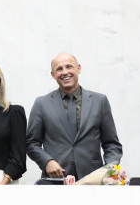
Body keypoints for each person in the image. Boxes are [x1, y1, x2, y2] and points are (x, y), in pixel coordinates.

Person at [26, 53, 122, 184]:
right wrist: (47, 161)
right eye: (59, 69)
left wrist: (109, 170)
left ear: (78, 68)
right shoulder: (41, 104)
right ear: (53, 75)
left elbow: (111, 143)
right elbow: (31, 143)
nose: (65, 72)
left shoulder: (100, 101)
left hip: (93, 181)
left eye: (69, 67)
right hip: (56, 181)